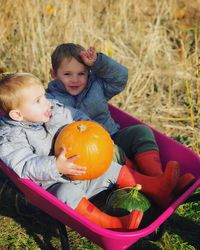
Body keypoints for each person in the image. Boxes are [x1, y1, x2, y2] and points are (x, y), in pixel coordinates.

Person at [0, 73, 180, 230]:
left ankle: (157, 187)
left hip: (85, 167)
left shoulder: (52, 108)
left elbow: (77, 116)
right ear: (17, 115)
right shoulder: (9, 138)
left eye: (44, 96)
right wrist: (56, 166)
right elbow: (24, 165)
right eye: (38, 101)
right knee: (66, 194)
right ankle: (116, 224)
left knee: (109, 166)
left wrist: (97, 134)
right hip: (56, 182)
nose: (46, 102)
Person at [46, 43, 195, 193]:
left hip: (113, 134)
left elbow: (119, 79)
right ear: (54, 74)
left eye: (81, 73)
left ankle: (160, 179)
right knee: (113, 152)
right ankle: (152, 186)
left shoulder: (94, 85)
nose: (75, 79)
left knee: (141, 132)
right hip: (87, 153)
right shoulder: (50, 100)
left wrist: (99, 62)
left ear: (88, 72)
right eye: (67, 74)